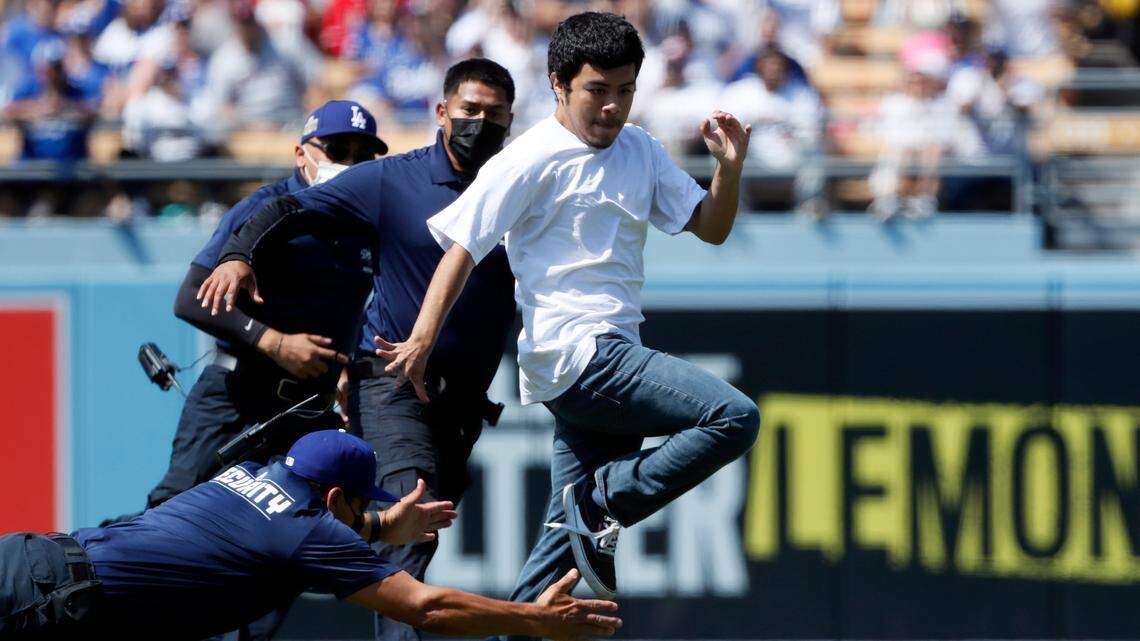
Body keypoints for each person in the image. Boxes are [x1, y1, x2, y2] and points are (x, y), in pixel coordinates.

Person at [367, 10, 760, 624]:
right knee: (734, 416)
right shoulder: (529, 158)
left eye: (625, 90)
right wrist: (421, 338)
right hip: (580, 355)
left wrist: (729, 170)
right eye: (597, 91)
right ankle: (604, 502)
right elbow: (462, 249)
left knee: (563, 570)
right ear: (559, 85)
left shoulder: (641, 150)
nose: (613, 107)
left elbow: (711, 228)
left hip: (603, 361)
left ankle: (572, 533)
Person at [197, 58, 518, 641]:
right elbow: (287, 205)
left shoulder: (522, 186)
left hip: (464, 404)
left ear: (511, 121)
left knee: (387, 537)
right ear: (441, 113)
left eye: (494, 115)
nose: (481, 124)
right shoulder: (392, 179)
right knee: (409, 545)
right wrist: (237, 254)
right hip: (393, 386)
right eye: (469, 111)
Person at [0, 430, 622, 640]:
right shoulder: (307, 531)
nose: (357, 522)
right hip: (49, 606)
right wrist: (534, 620)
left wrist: (377, 526)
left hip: (33, 557)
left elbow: (281, 536)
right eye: (360, 507)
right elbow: (426, 608)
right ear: (332, 499)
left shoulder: (243, 476)